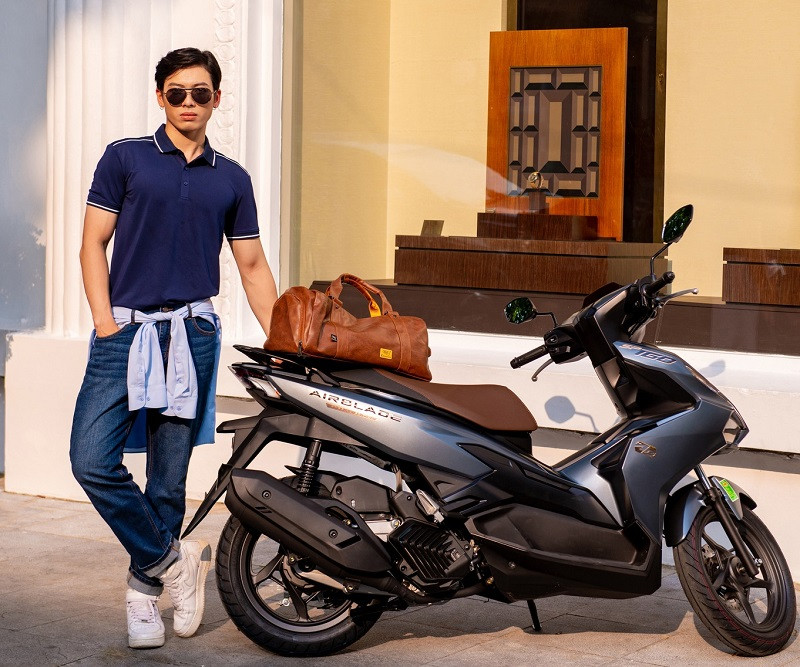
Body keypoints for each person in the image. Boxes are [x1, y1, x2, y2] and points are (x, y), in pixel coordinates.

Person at [70, 47, 278, 649]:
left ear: (217, 99)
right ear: (160, 96)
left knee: (167, 479)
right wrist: (105, 322)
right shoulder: (126, 157)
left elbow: (252, 265)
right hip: (126, 333)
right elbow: (92, 243)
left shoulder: (231, 177)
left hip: (193, 335)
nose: (189, 102)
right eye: (178, 92)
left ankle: (143, 598)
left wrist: (283, 341)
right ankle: (173, 561)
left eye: (201, 93)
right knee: (91, 461)